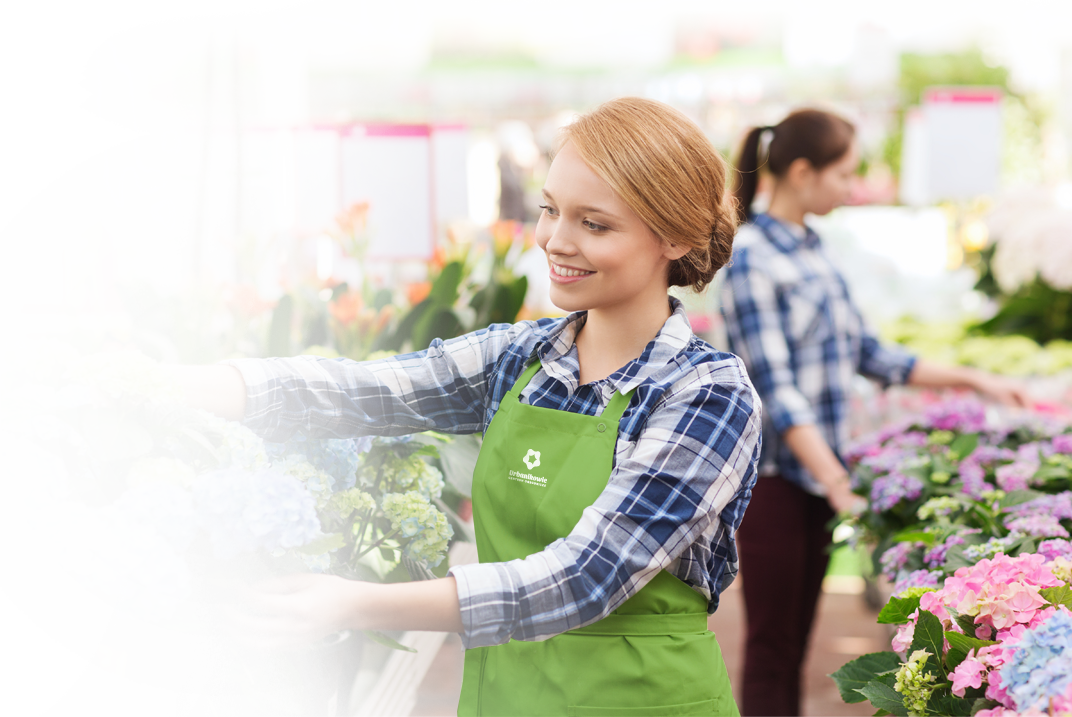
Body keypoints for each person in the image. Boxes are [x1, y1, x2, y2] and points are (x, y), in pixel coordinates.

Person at [115, 98, 761, 716]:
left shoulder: (705, 395)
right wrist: (152, 381)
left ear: (673, 236)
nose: (555, 241)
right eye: (550, 210)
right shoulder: (521, 359)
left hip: (642, 700)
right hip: (510, 696)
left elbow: (584, 576)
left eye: (594, 224)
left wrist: (357, 603)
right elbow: (355, 390)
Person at [720, 109, 1031, 717]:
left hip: (821, 476)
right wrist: (838, 485)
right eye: (845, 173)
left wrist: (973, 378)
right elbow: (776, 390)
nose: (852, 187)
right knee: (771, 648)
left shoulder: (813, 246)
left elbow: (871, 353)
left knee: (795, 641)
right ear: (803, 172)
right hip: (782, 482)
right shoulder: (753, 256)